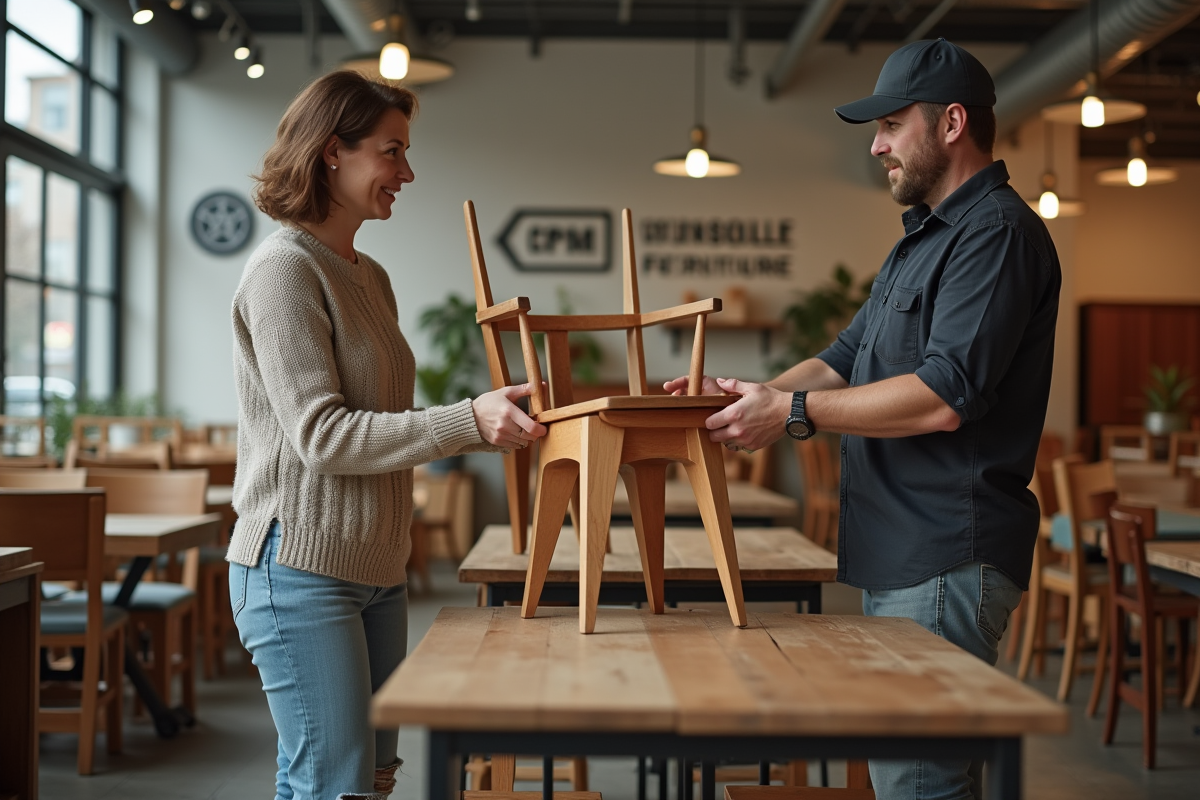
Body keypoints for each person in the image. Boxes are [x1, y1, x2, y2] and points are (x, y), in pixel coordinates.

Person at [666, 39, 1061, 800]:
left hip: (947, 553)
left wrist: (795, 414)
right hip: (905, 553)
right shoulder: (920, 242)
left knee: (920, 784)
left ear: (951, 123)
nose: (876, 144)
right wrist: (747, 395)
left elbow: (946, 395)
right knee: (922, 780)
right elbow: (844, 356)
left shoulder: (997, 234)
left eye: (890, 123)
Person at [228, 70, 546, 800]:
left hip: (376, 567)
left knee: (369, 780)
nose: (407, 171)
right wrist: (469, 420)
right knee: (331, 784)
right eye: (391, 151)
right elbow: (322, 436)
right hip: (299, 569)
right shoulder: (282, 271)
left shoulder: (368, 274)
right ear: (331, 152)